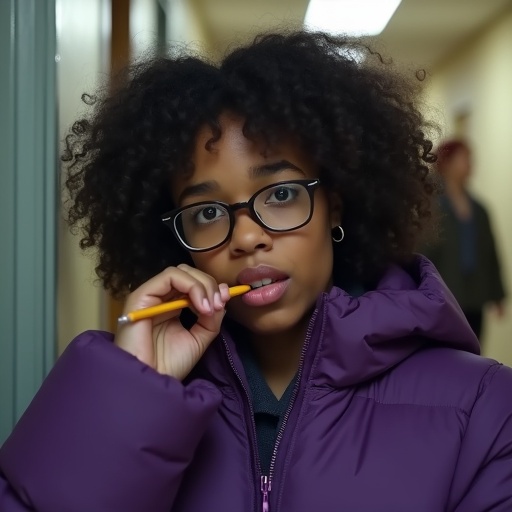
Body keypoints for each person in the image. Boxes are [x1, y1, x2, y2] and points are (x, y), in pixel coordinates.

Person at [1, 31, 511, 512]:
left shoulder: (483, 407)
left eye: (282, 194)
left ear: (335, 205)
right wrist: (133, 400)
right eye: (205, 212)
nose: (246, 237)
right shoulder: (124, 393)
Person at [422, 139, 506, 341]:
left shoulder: (479, 210)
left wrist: (498, 296)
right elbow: (422, 251)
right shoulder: (431, 206)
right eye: (464, 159)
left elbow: (490, 253)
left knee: (474, 346)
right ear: (447, 163)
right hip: (444, 293)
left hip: (475, 293)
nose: (470, 164)